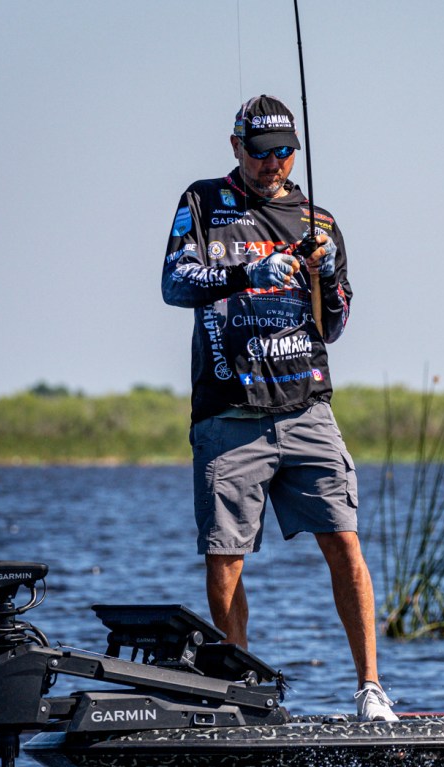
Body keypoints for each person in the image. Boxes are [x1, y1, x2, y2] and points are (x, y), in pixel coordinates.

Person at [161, 94, 397, 722]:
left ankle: (371, 690)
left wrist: (328, 274)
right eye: (262, 153)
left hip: (307, 408)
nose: (274, 164)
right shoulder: (203, 203)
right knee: (226, 555)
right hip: (228, 412)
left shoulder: (319, 220)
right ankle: (238, 693)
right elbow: (175, 284)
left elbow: (335, 324)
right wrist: (251, 272)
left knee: (344, 540)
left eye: (285, 153)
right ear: (237, 147)